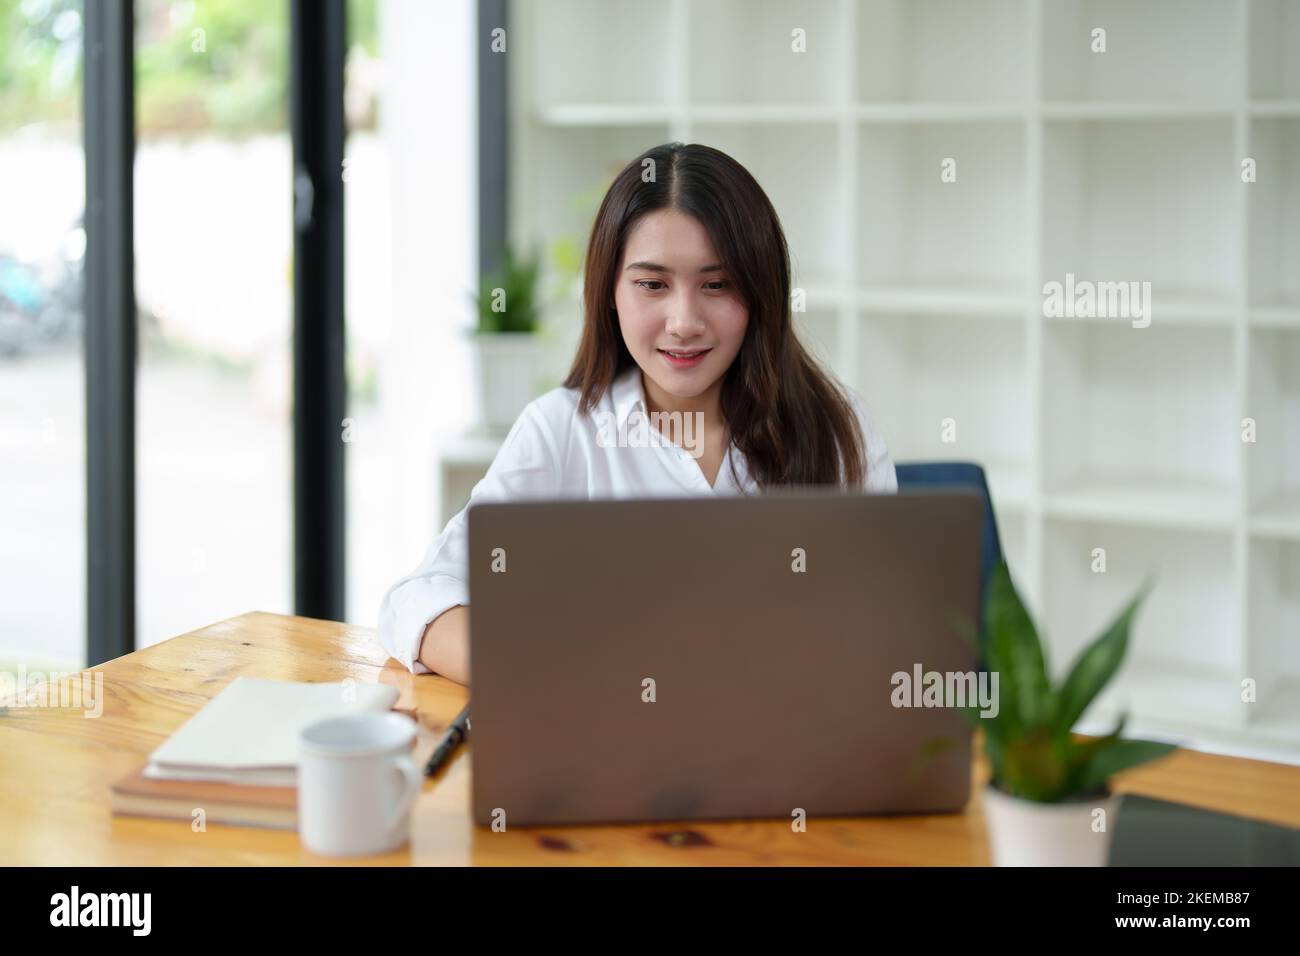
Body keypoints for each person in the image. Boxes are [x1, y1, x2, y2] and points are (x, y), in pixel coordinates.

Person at [378, 142, 897, 685]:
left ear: (762, 294)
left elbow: (893, 624)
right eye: (653, 284)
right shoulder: (561, 432)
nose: (684, 321)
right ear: (609, 292)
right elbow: (417, 598)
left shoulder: (839, 427)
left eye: (717, 285)